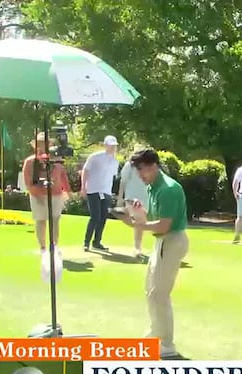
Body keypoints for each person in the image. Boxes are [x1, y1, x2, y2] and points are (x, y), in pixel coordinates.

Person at [118, 148, 189, 360]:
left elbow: (164, 225)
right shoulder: (153, 187)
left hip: (172, 240)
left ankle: (166, 344)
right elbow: (155, 218)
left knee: (159, 294)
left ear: (154, 166)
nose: (140, 175)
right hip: (162, 242)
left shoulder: (168, 189)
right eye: (138, 170)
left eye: (142, 169)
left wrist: (133, 224)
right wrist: (139, 213)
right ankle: (156, 334)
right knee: (150, 290)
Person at [22, 132, 71, 255]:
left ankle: (54, 245)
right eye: (42, 143)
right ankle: (43, 247)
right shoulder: (30, 161)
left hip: (56, 195)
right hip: (39, 195)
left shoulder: (57, 160)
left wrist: (68, 191)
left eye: (47, 143)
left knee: (55, 220)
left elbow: (63, 176)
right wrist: (36, 194)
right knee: (41, 220)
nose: (45, 146)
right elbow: (28, 180)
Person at [81, 135, 119, 252]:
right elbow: (85, 171)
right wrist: (83, 187)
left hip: (106, 191)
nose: (113, 148)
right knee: (95, 217)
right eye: (111, 145)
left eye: (114, 146)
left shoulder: (114, 161)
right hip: (93, 190)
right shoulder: (95, 157)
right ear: (105, 145)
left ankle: (97, 242)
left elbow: (112, 176)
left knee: (103, 218)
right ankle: (86, 242)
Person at [118, 155, 150, 258]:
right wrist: (120, 198)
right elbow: (122, 182)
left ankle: (138, 246)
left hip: (145, 198)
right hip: (132, 198)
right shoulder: (129, 166)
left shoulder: (147, 166)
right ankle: (137, 248)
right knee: (138, 221)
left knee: (141, 222)